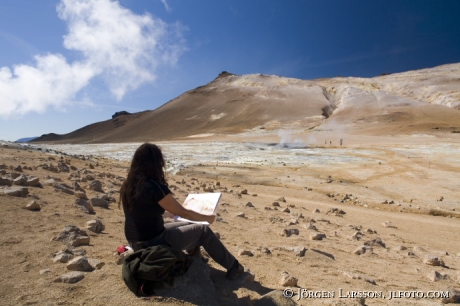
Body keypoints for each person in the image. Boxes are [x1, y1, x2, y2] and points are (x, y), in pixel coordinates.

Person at [119, 143, 244, 280]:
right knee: (203, 231)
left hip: (136, 241)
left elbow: (144, 212)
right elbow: (183, 211)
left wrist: (170, 214)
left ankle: (194, 258)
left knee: (189, 223)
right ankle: (234, 267)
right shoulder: (152, 186)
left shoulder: (129, 184)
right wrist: (208, 218)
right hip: (154, 242)